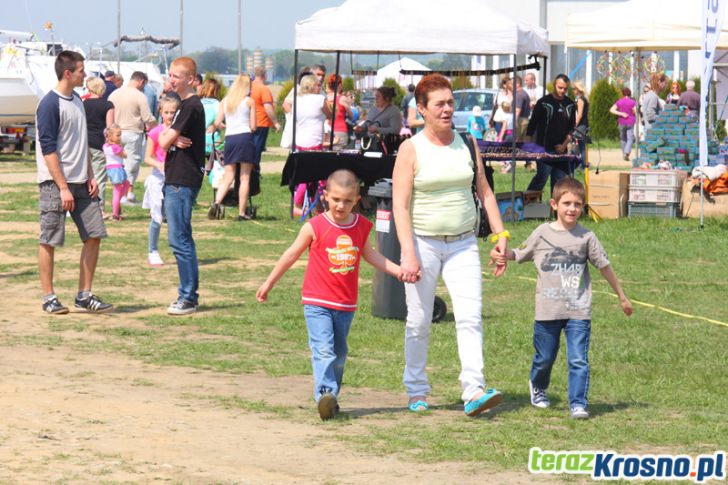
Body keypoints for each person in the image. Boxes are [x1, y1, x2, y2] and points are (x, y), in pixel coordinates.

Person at [392, 73, 510, 417]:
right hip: (422, 243)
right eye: (439, 104)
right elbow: (399, 206)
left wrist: (500, 236)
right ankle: (416, 389)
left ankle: (473, 389)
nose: (447, 110)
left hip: (463, 245)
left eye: (450, 103)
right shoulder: (410, 149)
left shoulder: (467, 142)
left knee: (470, 317)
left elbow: (484, 192)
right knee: (418, 321)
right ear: (422, 109)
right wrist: (409, 253)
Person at [256, 169, 403, 420]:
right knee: (323, 349)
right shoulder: (315, 226)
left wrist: (398, 270)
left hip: (345, 304)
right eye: (336, 199)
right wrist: (269, 282)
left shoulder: (361, 226)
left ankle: (331, 398)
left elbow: (370, 255)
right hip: (317, 302)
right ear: (325, 196)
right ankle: (325, 393)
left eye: (347, 200)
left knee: (340, 352)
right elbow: (291, 254)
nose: (340, 205)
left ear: (357, 199)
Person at [490, 177, 632, 419]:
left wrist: (621, 296)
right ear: (554, 204)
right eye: (566, 203)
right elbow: (520, 253)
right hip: (548, 309)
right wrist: (502, 255)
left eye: (577, 204)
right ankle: (538, 386)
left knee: (578, 359)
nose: (572, 209)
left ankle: (578, 403)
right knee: (545, 357)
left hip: (578, 310)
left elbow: (604, 266)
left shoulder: (587, 237)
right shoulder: (542, 233)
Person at [35, 50, 113, 314]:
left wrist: (91, 175)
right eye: (81, 70)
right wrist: (63, 187)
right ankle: (49, 297)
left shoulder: (78, 100)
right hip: (56, 184)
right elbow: (48, 150)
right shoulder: (49, 104)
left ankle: (84, 294)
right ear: (68, 73)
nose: (85, 74)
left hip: (83, 182)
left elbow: (82, 144)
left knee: (94, 234)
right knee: (50, 239)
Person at [158, 57, 206, 315]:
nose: (172, 79)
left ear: (190, 78)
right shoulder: (180, 105)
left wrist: (169, 138)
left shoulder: (190, 106)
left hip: (182, 179)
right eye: (171, 75)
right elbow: (163, 137)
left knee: (180, 239)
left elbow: (163, 141)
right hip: (176, 177)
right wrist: (170, 138)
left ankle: (188, 297)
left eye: (176, 76)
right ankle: (187, 294)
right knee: (178, 238)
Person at [207, 74, 258, 221]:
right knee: (244, 177)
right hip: (244, 137)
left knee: (228, 176)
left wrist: (226, 125)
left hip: (230, 138)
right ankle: (242, 212)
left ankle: (216, 203)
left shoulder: (225, 101)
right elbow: (253, 126)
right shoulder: (249, 101)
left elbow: (217, 122)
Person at [108, 71, 157, 204]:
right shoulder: (140, 96)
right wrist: (157, 126)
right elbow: (147, 117)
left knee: (117, 164)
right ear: (141, 82)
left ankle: (118, 192)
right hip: (133, 132)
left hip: (115, 132)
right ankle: (127, 193)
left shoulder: (115, 93)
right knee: (131, 164)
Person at [143, 94, 180, 266]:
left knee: (175, 215)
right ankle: (153, 250)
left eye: (173, 112)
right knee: (157, 215)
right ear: (160, 112)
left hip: (176, 177)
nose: (169, 116)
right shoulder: (155, 132)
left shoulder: (179, 131)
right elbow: (147, 157)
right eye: (166, 112)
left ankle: (179, 249)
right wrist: (159, 164)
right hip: (159, 177)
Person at [525, 74, 576, 196]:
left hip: (561, 150)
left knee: (560, 181)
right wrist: (527, 149)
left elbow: (572, 129)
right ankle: (527, 205)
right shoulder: (543, 102)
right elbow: (532, 125)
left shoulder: (570, 104)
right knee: (541, 178)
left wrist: (564, 146)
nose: (562, 91)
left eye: (565, 88)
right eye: (560, 88)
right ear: (554, 85)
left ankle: (557, 209)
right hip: (544, 148)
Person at [291, 74, 333, 216]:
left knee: (306, 174)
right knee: (311, 175)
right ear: (311, 86)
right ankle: (297, 203)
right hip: (314, 141)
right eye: (317, 85)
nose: (319, 87)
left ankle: (314, 203)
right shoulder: (319, 100)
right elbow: (329, 114)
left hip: (300, 140)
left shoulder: (297, 100)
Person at [83, 76, 115, 216]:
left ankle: (83, 206)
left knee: (84, 176)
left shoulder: (83, 103)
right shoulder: (108, 105)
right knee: (99, 177)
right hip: (98, 143)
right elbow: (110, 127)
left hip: (84, 144)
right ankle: (99, 208)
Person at [250, 66, 281, 167]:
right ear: (265, 76)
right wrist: (276, 123)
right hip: (261, 123)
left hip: (249, 122)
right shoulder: (264, 89)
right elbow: (268, 108)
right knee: (257, 150)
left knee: (249, 150)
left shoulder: (249, 87)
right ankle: (255, 172)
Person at [102, 124, 130, 221]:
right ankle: (115, 214)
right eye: (117, 135)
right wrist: (123, 150)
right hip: (117, 169)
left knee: (126, 184)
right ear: (110, 136)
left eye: (120, 135)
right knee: (118, 191)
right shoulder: (116, 147)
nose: (119, 137)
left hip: (112, 169)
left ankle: (115, 202)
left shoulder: (105, 146)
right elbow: (124, 155)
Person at [325, 74, 353, 150]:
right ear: (340, 85)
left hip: (326, 131)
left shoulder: (325, 98)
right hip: (340, 131)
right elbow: (351, 116)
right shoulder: (342, 98)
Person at [609, 87, 637, 162]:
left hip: (621, 121)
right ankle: (627, 153)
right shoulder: (633, 102)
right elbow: (635, 111)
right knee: (630, 138)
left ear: (623, 93)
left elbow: (611, 110)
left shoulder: (619, 101)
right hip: (631, 122)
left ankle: (624, 153)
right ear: (629, 93)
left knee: (623, 139)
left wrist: (621, 113)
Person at [199, 78, 221, 156]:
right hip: (213, 139)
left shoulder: (199, 103)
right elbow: (220, 122)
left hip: (199, 138)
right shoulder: (217, 104)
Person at [572, 81, 590, 170]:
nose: (573, 90)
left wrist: (574, 125)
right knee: (581, 145)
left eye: (574, 88)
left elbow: (579, 114)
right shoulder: (584, 99)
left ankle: (583, 165)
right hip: (584, 124)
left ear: (578, 89)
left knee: (580, 145)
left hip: (580, 125)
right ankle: (582, 164)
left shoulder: (580, 100)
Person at [512, 75, 531, 141]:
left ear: (517, 84)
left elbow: (517, 110)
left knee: (518, 142)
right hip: (524, 120)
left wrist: (515, 122)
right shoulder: (524, 93)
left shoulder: (519, 95)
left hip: (520, 121)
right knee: (522, 141)